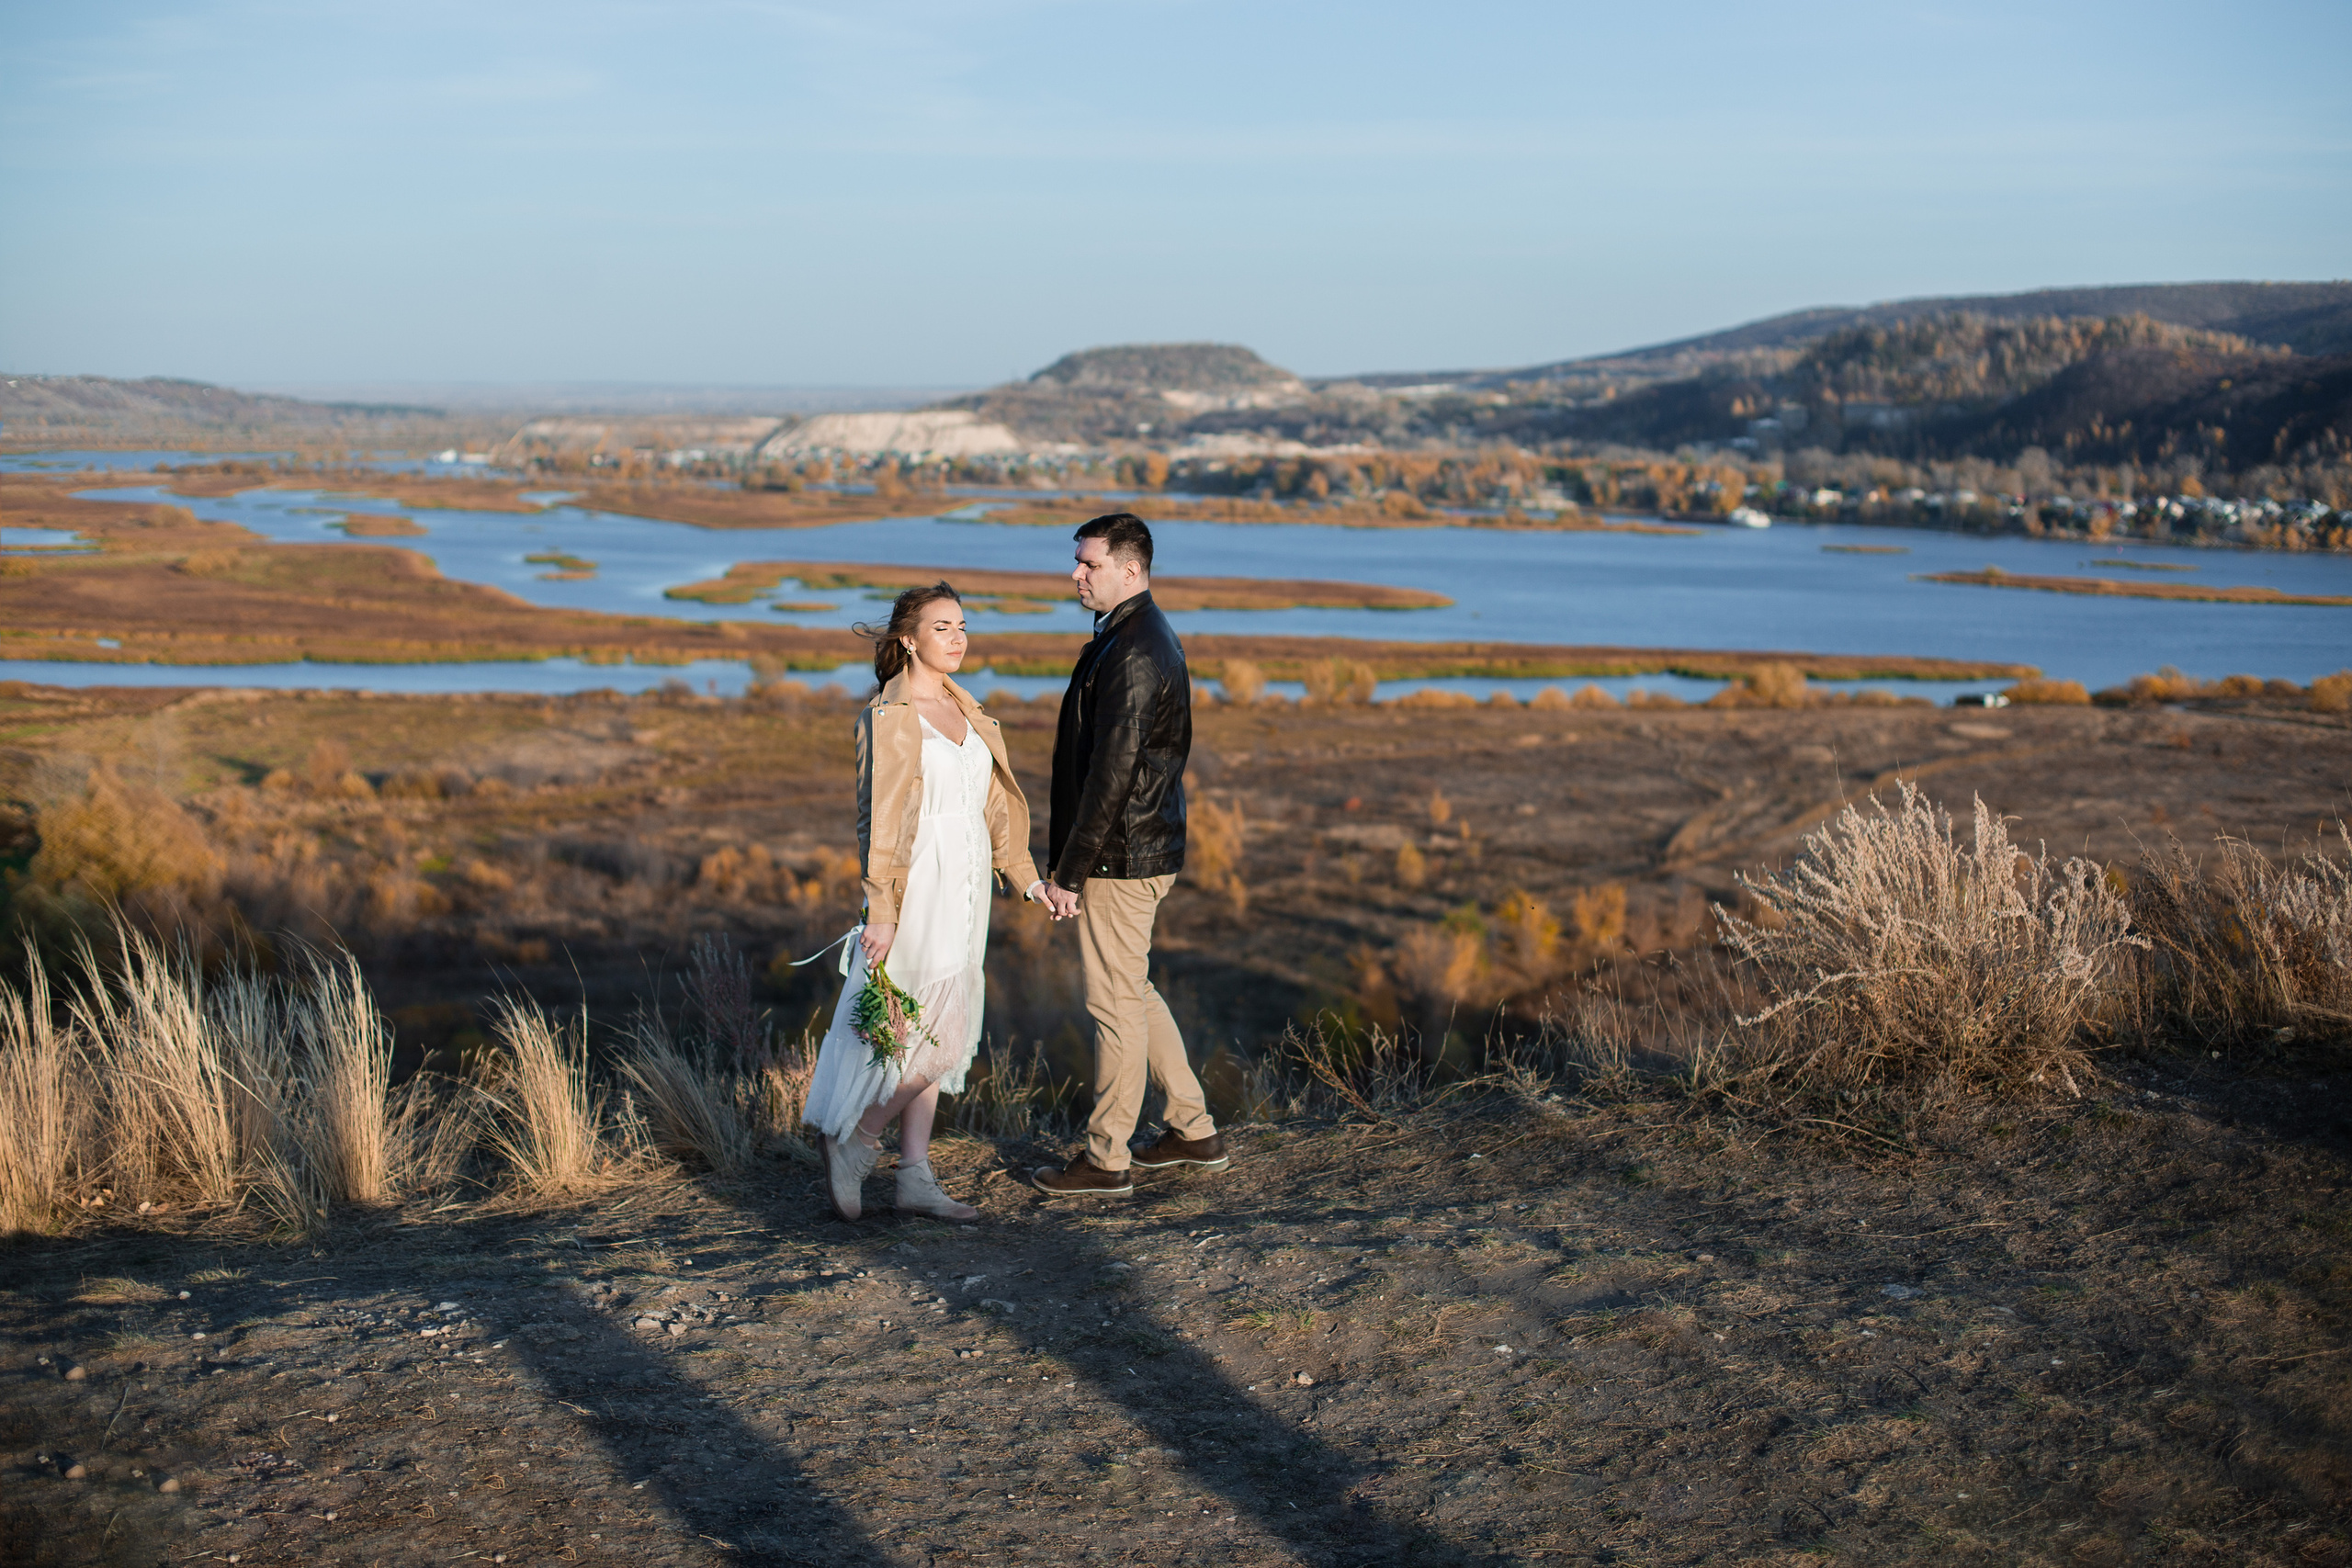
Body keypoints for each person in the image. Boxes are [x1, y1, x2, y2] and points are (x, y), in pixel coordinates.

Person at [805, 581, 1046, 1222]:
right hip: (919, 887)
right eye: (943, 626)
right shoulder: (887, 717)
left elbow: (995, 810)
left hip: (968, 887)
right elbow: (874, 822)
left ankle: (915, 1175)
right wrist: (880, 907)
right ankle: (857, 1140)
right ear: (908, 639)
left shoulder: (973, 712)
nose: (959, 636)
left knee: (945, 1031)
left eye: (963, 625)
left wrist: (1028, 878)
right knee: (928, 1033)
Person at [1031, 513, 1230, 1198]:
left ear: (1131, 570)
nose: (1076, 575)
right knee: (1133, 990)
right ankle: (1192, 1129)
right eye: (1077, 562)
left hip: (1122, 857)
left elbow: (1111, 775)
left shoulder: (1136, 651)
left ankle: (1106, 1157)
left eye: (1089, 564)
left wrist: (1069, 871)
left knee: (1112, 1002)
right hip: (1137, 849)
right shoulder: (1129, 635)